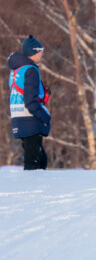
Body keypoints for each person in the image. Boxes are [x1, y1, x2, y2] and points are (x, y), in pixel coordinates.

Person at [7, 35, 51, 170]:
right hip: (30, 118)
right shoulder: (31, 70)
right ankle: (32, 188)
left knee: (40, 159)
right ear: (34, 52)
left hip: (18, 117)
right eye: (40, 50)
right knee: (34, 163)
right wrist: (45, 117)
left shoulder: (16, 71)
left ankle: (36, 187)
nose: (42, 53)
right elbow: (30, 101)